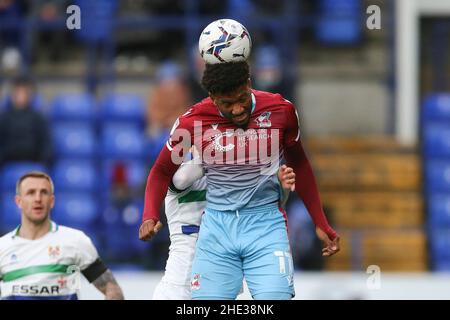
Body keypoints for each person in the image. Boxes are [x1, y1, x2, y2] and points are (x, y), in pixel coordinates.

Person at [139, 52, 340, 300]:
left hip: (265, 224)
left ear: (248, 83)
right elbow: (161, 171)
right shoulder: (192, 123)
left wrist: (320, 221)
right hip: (217, 228)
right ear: (212, 97)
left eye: (242, 98)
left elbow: (300, 163)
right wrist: (149, 214)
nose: (238, 109)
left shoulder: (281, 110)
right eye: (227, 103)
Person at [152, 146, 296, 300]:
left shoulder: (235, 177)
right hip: (179, 285)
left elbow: (271, 208)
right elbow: (181, 180)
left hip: (221, 279)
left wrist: (281, 188)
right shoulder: (178, 173)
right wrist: (220, 156)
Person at [0, 171, 124, 300]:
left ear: (52, 201)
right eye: (31, 193)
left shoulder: (75, 241)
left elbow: (112, 289)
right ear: (18, 201)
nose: (38, 199)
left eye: (44, 192)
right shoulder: (3, 247)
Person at [0, 76, 53, 166]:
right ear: (12, 95)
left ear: (30, 95)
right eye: (17, 92)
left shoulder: (38, 118)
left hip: (33, 165)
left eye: (24, 92)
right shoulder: (4, 118)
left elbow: (46, 145)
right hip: (7, 165)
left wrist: (41, 165)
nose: (20, 96)